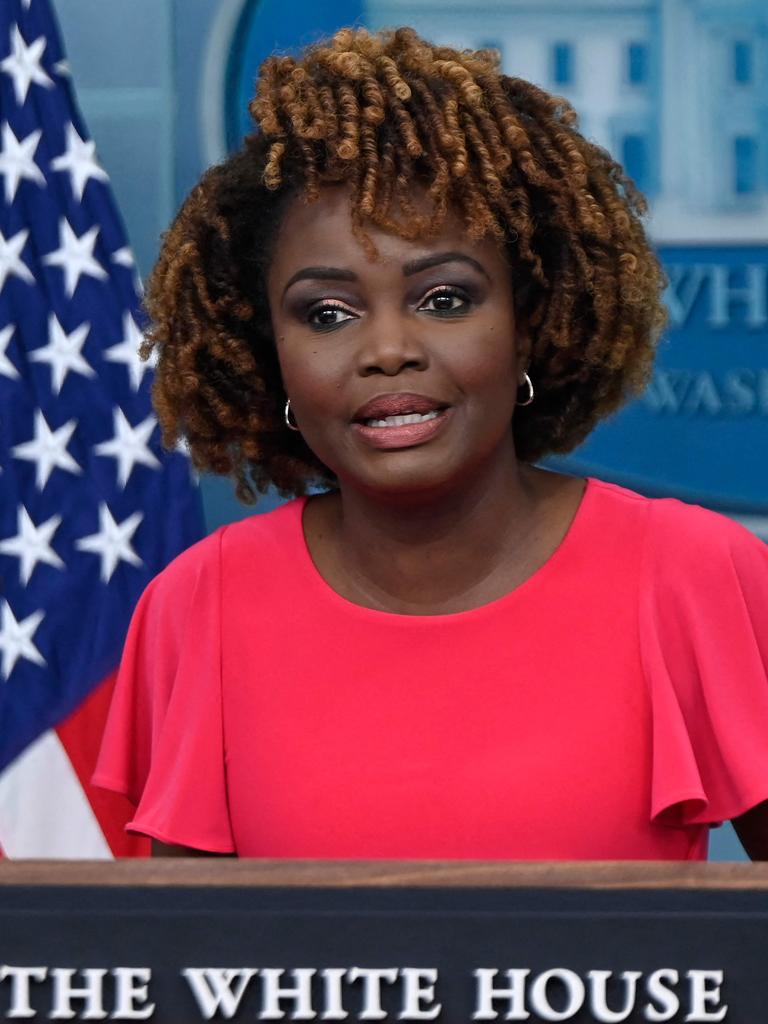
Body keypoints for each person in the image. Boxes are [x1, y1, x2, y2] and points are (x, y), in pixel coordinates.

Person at [94, 26, 768, 860]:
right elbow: (185, 969)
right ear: (268, 352)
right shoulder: (201, 604)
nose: (387, 349)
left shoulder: (693, 573)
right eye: (327, 314)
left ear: (528, 324)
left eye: (445, 299)